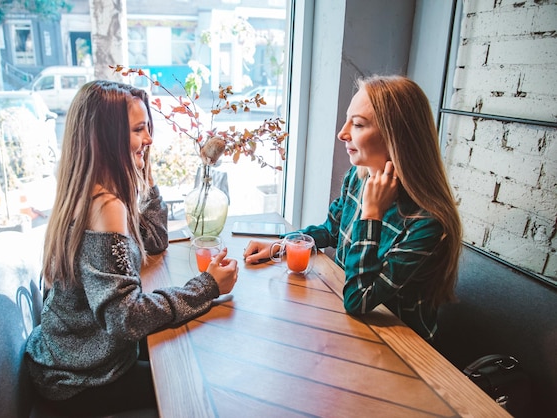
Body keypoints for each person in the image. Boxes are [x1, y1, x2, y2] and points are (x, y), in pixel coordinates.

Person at [25, 80, 238, 416]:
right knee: (200, 383)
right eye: (139, 130)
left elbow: (154, 238)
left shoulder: (87, 191)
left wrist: (144, 167)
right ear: (106, 140)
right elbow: (125, 318)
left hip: (68, 358)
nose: (150, 139)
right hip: (79, 380)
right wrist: (207, 286)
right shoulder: (105, 206)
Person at [244, 75, 462, 342]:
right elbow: (331, 231)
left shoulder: (426, 222)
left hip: (399, 348)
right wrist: (281, 246)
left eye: (357, 124)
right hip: (347, 326)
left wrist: (372, 215)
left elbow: (359, 299)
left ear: (397, 137)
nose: (342, 133)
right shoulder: (357, 177)